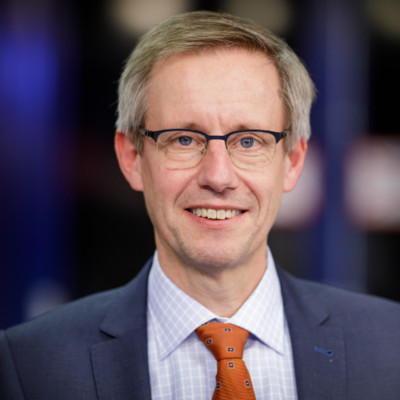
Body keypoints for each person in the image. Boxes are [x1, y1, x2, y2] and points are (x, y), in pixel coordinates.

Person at [0, 10, 399, 400]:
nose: (218, 177)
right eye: (184, 140)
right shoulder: (28, 365)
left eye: (248, 141)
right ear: (132, 157)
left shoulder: (390, 346)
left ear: (293, 161)